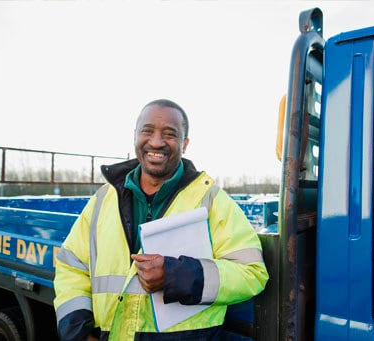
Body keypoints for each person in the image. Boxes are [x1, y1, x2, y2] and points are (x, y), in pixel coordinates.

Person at [53, 99, 269, 340]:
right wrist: (79, 334)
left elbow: (252, 273)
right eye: (147, 131)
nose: (156, 142)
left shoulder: (212, 200)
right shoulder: (104, 199)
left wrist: (176, 275)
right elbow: (71, 267)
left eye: (169, 134)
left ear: (185, 144)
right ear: (135, 136)